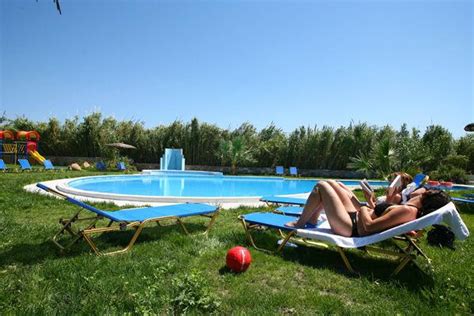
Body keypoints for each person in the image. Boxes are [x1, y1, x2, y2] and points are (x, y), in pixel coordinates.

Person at [285, 180, 450, 237]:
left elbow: (368, 229)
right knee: (333, 184)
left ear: (425, 197)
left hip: (351, 228)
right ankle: (312, 218)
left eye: (424, 189)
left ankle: (300, 224)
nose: (420, 188)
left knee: (321, 186)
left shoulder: (407, 211)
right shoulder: (408, 209)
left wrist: (364, 209)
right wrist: (369, 204)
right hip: (355, 220)